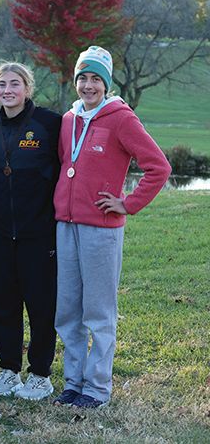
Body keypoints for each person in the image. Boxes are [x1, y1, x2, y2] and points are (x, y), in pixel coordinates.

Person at [52, 46, 171, 408]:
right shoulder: (68, 119)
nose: (88, 85)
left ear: (106, 84)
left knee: (99, 312)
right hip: (66, 225)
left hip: (101, 230)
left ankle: (97, 388)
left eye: (95, 79)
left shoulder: (121, 119)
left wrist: (128, 203)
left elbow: (159, 167)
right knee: (68, 310)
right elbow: (66, 163)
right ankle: (73, 383)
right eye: (83, 78)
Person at [0, 62, 62, 401]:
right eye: (2, 84)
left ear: (27, 88)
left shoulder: (49, 123)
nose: (8, 90)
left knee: (41, 306)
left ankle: (41, 375)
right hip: (1, 232)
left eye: (15, 83)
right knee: (3, 303)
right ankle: (9, 369)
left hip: (39, 233)